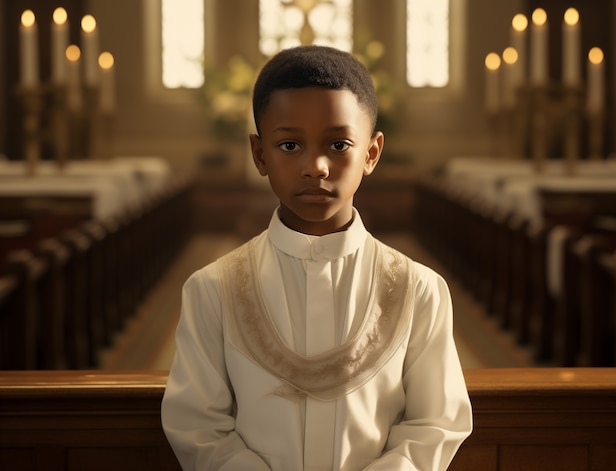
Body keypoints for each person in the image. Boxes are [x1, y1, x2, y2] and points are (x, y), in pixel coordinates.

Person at [161, 45, 472, 471]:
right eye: (289, 144)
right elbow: (197, 427)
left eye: (339, 143)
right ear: (259, 154)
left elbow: (435, 424)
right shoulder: (213, 289)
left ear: (371, 153)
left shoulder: (419, 289)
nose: (316, 166)